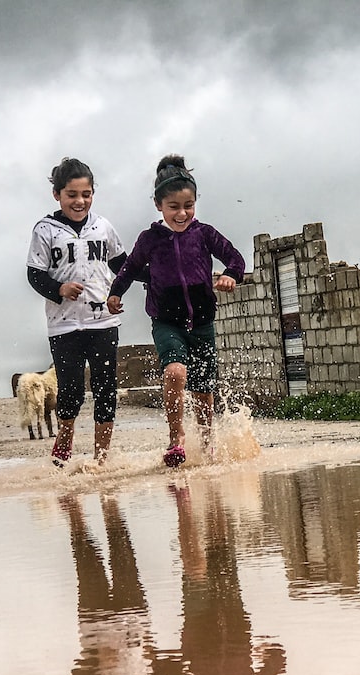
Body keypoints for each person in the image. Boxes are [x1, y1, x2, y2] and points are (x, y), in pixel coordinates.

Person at [107, 154, 246, 467]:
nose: (182, 213)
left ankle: (208, 444)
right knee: (174, 372)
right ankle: (176, 439)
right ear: (159, 205)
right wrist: (115, 294)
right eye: (174, 207)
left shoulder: (205, 234)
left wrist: (229, 276)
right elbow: (129, 269)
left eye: (189, 206)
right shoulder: (150, 240)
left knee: (203, 390)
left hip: (202, 322)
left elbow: (235, 258)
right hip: (166, 321)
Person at [26, 157, 128, 465]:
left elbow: (122, 266)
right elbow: (35, 274)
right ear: (57, 195)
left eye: (86, 194)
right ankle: (65, 439)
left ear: (93, 193)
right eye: (72, 194)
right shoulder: (46, 230)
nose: (79, 201)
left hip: (103, 322)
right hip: (64, 326)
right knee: (70, 391)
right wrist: (58, 289)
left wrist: (117, 293)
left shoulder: (103, 227)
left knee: (105, 389)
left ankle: (102, 457)